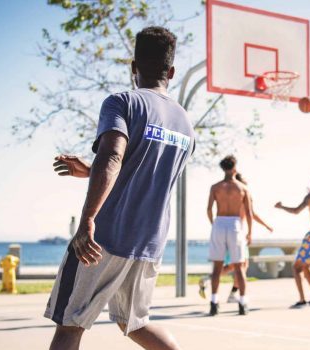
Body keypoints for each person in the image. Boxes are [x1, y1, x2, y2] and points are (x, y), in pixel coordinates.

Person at [45, 26, 194, 350]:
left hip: (107, 236)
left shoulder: (122, 102)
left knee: (70, 325)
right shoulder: (185, 123)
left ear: (133, 67)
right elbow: (145, 171)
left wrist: (87, 221)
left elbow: (113, 155)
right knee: (134, 324)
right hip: (149, 241)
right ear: (171, 71)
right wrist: (92, 169)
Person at [198, 172, 273, 302]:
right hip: (236, 234)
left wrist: (265, 225)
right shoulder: (240, 196)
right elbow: (251, 214)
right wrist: (262, 227)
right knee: (239, 266)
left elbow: (251, 214)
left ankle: (225, 289)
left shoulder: (238, 195)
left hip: (235, 233)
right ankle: (218, 286)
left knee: (239, 266)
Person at [274, 171, 310, 308]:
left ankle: (301, 300)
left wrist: (281, 207)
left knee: (296, 267)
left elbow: (295, 211)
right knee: (305, 266)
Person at [206, 155, 253, 316]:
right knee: (239, 266)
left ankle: (214, 302)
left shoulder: (215, 187)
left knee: (217, 267)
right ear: (234, 168)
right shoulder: (242, 188)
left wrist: (214, 224)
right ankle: (243, 303)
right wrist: (250, 232)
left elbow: (208, 209)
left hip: (219, 222)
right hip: (235, 224)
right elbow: (249, 212)